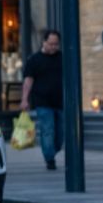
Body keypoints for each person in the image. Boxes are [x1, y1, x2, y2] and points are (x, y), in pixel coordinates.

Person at [21, 29, 64, 170]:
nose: (53, 47)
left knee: (60, 133)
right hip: (42, 102)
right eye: (51, 44)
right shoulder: (34, 60)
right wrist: (24, 99)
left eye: (56, 44)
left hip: (61, 102)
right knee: (47, 130)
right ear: (44, 42)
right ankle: (49, 159)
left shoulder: (62, 58)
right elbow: (28, 81)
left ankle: (51, 151)